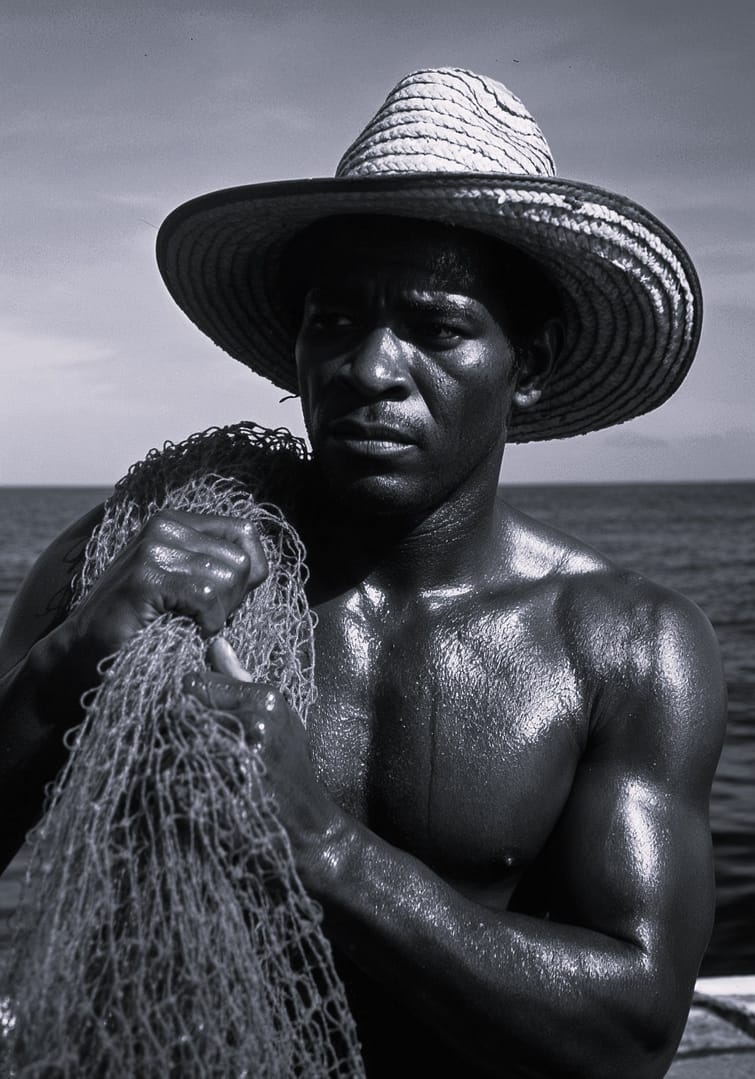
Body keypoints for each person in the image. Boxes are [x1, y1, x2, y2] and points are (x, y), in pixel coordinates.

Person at [0, 68, 726, 1078]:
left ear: (528, 365)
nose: (370, 368)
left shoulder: (625, 646)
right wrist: (71, 658)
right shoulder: (136, 558)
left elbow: (632, 1032)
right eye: (334, 320)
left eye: (435, 328)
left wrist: (318, 845)